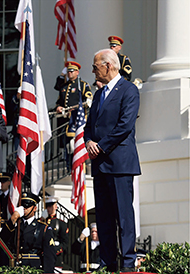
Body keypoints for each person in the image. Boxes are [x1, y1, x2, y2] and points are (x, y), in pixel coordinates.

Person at [84, 48, 141, 272]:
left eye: (95, 66)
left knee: (124, 218)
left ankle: (128, 264)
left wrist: (101, 146)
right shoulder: (98, 94)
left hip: (119, 164)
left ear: (108, 66)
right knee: (105, 218)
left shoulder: (129, 90)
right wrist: (88, 141)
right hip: (100, 165)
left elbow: (125, 125)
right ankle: (108, 263)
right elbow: (90, 127)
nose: (92, 70)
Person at [0, 192, 56, 273]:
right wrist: (13, 218)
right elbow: (2, 241)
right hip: (15, 269)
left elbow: (49, 256)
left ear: (35, 208)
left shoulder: (43, 228)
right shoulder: (15, 225)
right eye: (22, 206)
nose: (24, 208)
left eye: (27, 206)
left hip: (33, 269)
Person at [54, 61, 92, 171]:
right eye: (68, 71)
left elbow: (88, 100)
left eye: (72, 71)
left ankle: (79, 167)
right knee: (68, 147)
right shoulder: (64, 87)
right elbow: (59, 102)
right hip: (65, 121)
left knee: (76, 145)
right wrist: (58, 108)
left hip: (77, 120)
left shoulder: (82, 85)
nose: (69, 73)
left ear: (77, 72)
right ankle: (69, 166)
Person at [44, 196, 69, 273]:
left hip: (56, 258)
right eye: (47, 206)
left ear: (55, 206)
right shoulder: (42, 222)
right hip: (43, 258)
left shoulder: (61, 224)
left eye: (50, 206)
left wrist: (54, 251)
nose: (48, 208)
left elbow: (65, 243)